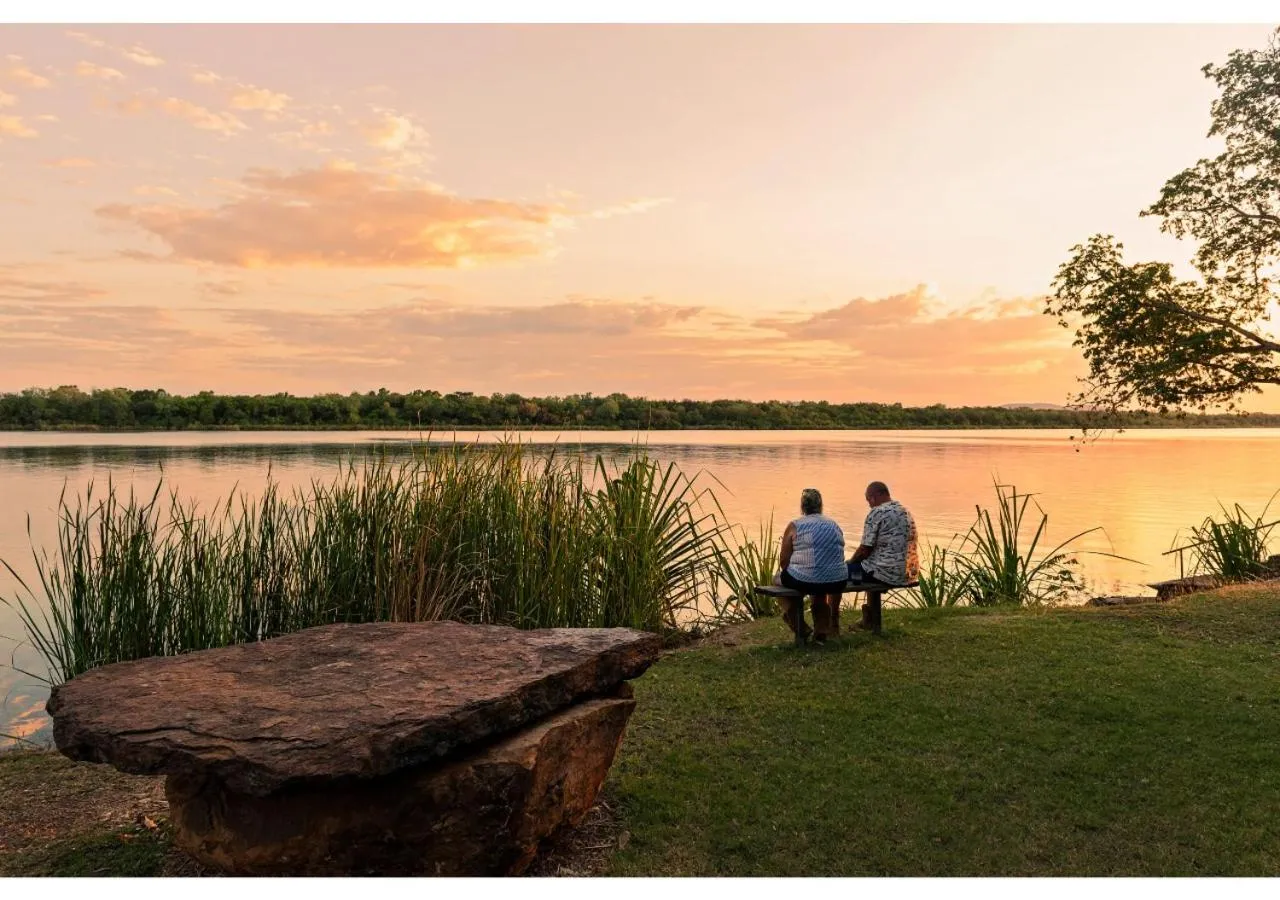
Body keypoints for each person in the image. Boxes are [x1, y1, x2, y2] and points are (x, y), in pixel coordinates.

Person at [776, 488, 847, 643]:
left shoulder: (795, 525)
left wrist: (798, 571)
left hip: (806, 579)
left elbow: (783, 562)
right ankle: (821, 632)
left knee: (777, 584)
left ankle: (801, 627)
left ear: (802, 507)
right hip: (838, 579)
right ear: (821, 505)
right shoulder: (833, 524)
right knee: (819, 589)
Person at [847, 481, 920, 587]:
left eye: (869, 500)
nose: (870, 505)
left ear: (875, 496)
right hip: (909, 575)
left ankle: (826, 604)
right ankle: (871, 603)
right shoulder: (905, 511)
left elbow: (864, 551)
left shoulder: (877, 512)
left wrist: (851, 562)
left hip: (886, 575)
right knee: (870, 563)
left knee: (838, 573)